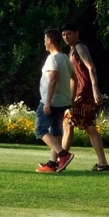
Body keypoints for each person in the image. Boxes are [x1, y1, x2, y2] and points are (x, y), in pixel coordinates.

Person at [60, 23, 109, 172]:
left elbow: (91, 67)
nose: (66, 37)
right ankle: (103, 164)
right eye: (63, 35)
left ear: (76, 33)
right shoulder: (71, 50)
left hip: (83, 94)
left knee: (68, 123)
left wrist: (95, 90)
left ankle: (59, 161)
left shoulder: (80, 47)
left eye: (68, 34)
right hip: (79, 93)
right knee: (88, 127)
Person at [35, 28, 74, 173]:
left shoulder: (53, 58)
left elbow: (53, 79)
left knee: (40, 130)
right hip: (63, 101)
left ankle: (63, 155)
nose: (44, 43)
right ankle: (52, 164)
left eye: (45, 40)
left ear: (49, 40)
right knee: (56, 132)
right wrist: (71, 97)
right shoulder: (65, 58)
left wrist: (48, 101)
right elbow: (74, 78)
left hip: (52, 101)